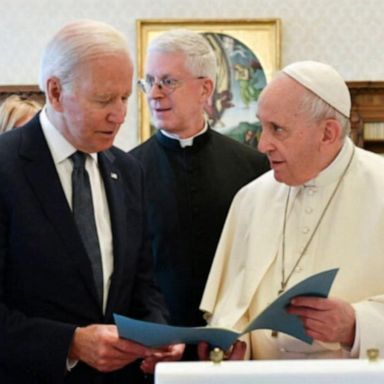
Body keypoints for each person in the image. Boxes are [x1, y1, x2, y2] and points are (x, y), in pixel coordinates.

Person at [0, 20, 183, 384]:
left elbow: (144, 284)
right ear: (55, 91)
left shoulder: (128, 170)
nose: (120, 114)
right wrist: (69, 343)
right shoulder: (6, 168)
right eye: (103, 99)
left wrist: (157, 335)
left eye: (125, 97)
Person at [200, 60, 384, 360]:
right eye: (262, 126)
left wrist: (357, 325)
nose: (262, 145)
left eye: (277, 129)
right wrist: (233, 343)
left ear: (327, 133)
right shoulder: (251, 198)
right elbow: (230, 308)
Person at [129, 28, 269, 359]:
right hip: (153, 350)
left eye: (168, 81)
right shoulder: (127, 171)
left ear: (205, 88)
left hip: (232, 347)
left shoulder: (253, 168)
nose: (155, 94)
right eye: (149, 81)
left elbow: (257, 264)